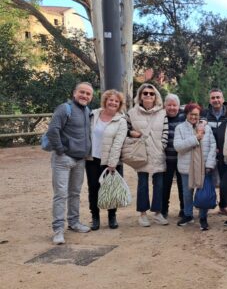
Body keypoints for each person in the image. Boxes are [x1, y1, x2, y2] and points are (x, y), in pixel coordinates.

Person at [46, 82, 94, 244]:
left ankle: (74, 222)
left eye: (88, 94)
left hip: (80, 160)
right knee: (61, 194)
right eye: (82, 92)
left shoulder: (87, 111)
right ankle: (58, 229)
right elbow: (53, 130)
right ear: (74, 93)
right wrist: (60, 150)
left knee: (75, 193)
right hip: (63, 159)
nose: (85, 96)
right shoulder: (64, 108)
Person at [127, 83, 169, 227]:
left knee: (159, 184)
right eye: (145, 93)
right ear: (140, 95)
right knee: (142, 184)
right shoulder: (132, 113)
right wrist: (131, 133)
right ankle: (143, 214)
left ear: (155, 95)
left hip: (158, 152)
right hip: (142, 153)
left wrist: (162, 145)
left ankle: (157, 213)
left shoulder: (162, 113)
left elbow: (166, 131)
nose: (148, 96)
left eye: (151, 93)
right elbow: (125, 128)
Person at [85, 89, 127, 231]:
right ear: (105, 101)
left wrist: (113, 163)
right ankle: (95, 217)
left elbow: (118, 143)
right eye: (111, 100)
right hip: (93, 158)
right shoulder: (93, 115)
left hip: (111, 162)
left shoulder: (121, 121)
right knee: (93, 188)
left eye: (116, 101)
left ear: (119, 104)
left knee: (111, 188)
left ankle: (112, 216)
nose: (113, 103)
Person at [174, 103, 217, 231]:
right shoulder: (180, 128)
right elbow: (178, 146)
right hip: (186, 167)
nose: (194, 117)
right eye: (191, 114)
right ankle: (188, 215)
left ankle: (203, 217)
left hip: (203, 167)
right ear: (186, 114)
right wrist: (195, 138)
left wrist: (209, 164)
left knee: (203, 194)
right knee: (187, 194)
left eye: (196, 114)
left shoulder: (206, 128)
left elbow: (213, 146)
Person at [202, 88, 227, 216]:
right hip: (208, 153)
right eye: (213, 98)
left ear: (223, 99)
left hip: (225, 153)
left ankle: (223, 206)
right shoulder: (205, 114)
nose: (216, 100)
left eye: (218, 97)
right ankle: (206, 203)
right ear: (210, 100)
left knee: (224, 181)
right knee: (207, 179)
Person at [162, 94, 186, 219]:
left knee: (183, 185)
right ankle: (164, 209)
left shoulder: (184, 115)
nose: (172, 108)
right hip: (166, 158)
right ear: (164, 106)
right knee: (165, 185)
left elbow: (198, 114)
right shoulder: (161, 116)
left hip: (182, 158)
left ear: (178, 105)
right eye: (169, 105)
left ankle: (184, 209)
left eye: (174, 105)